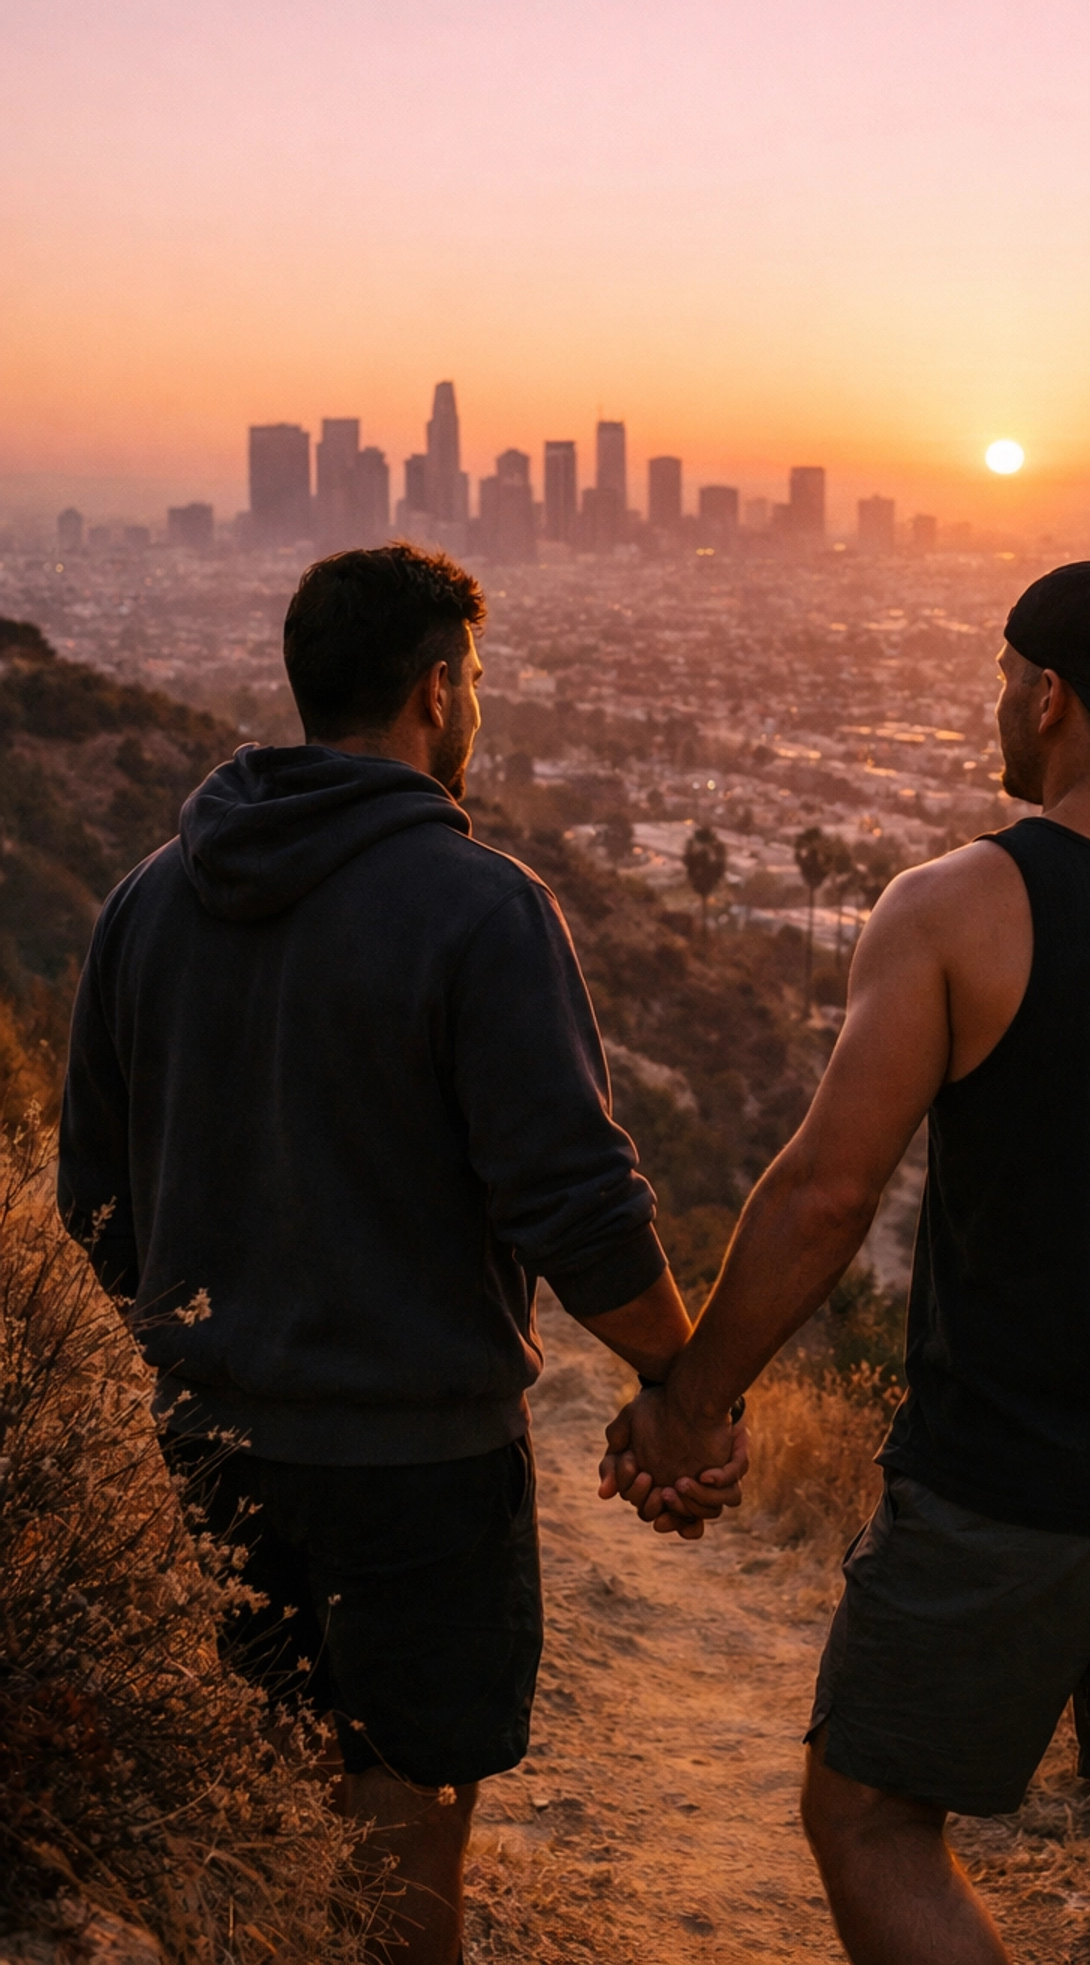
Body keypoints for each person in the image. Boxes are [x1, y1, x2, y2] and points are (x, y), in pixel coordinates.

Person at [604, 559, 1090, 1965]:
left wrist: (694, 1397)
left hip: (1013, 1481)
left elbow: (826, 1194)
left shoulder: (955, 907)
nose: (993, 706)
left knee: (868, 1819)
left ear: (1050, 697)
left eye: (998, 680)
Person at [58, 543, 744, 1965]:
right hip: (418, 1467)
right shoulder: (480, 908)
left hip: (206, 1447)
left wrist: (201, 1353)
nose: (478, 706)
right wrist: (684, 1381)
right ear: (437, 691)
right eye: (475, 680)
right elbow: (579, 1202)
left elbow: (93, 1207)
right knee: (403, 1834)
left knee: (255, 1808)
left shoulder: (148, 900)